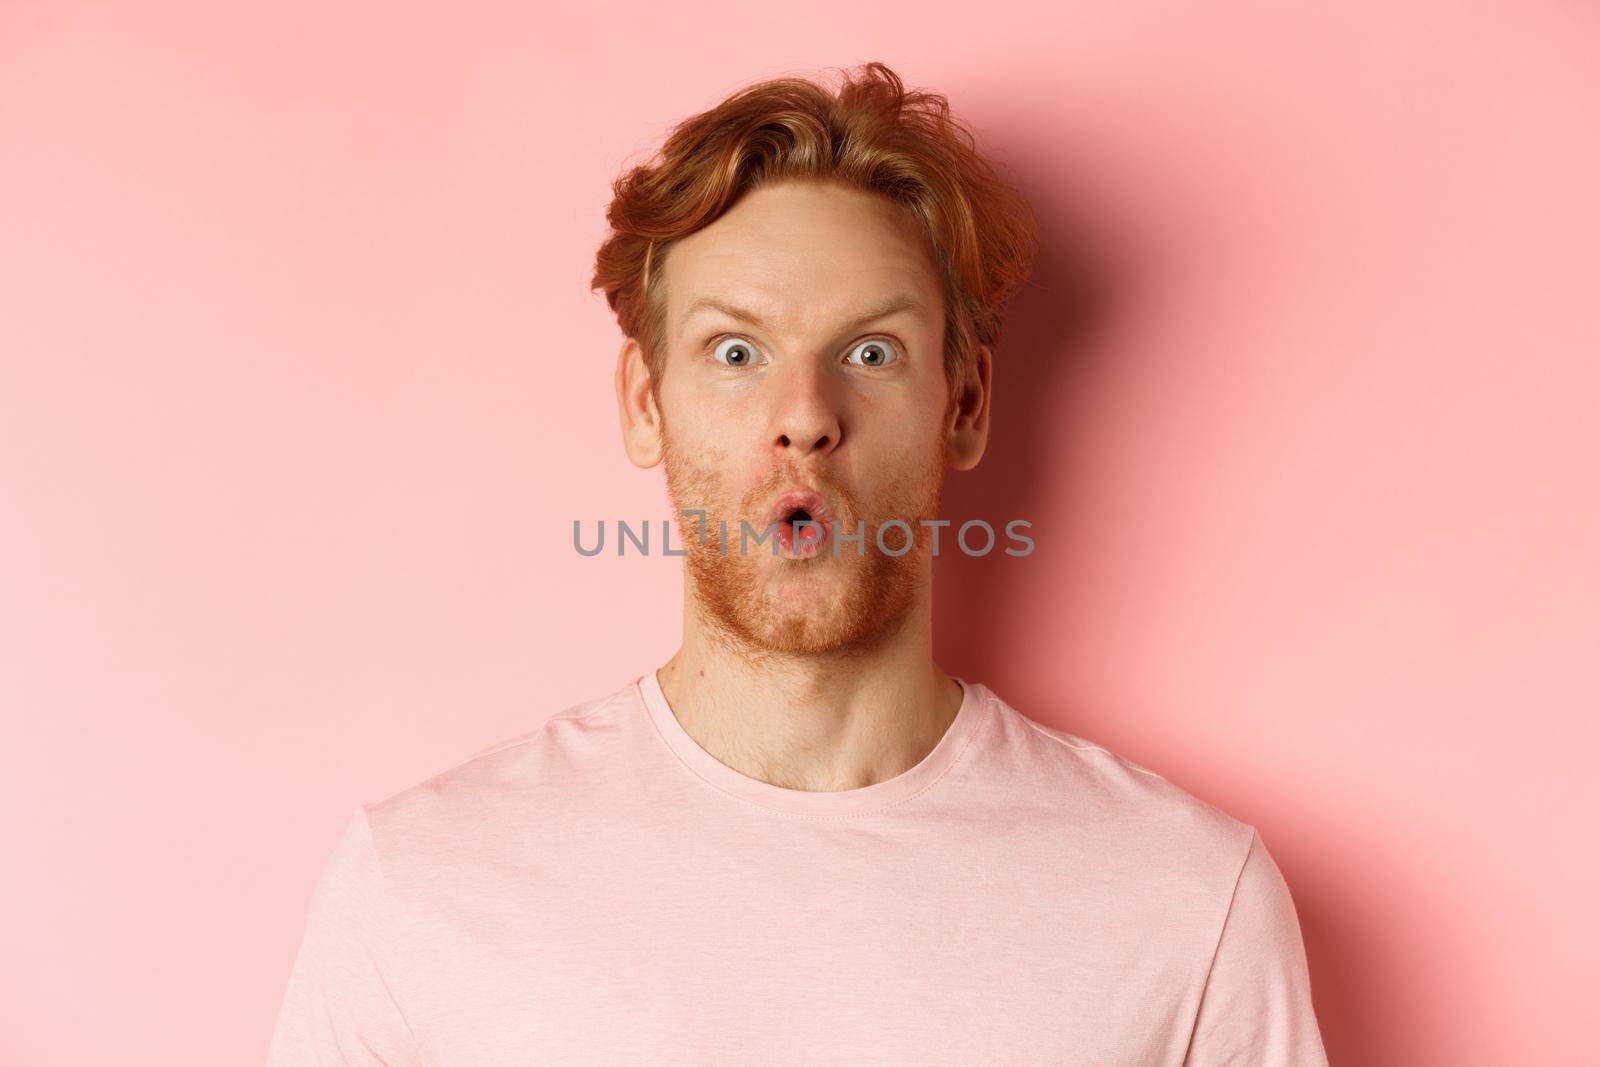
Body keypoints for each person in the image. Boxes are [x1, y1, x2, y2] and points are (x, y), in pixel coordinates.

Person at [266, 61, 1329, 1065]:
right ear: (647, 402)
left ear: (963, 404)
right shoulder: (422, 884)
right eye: (736, 351)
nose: (807, 418)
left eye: (872, 352)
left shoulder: (1182, 896)